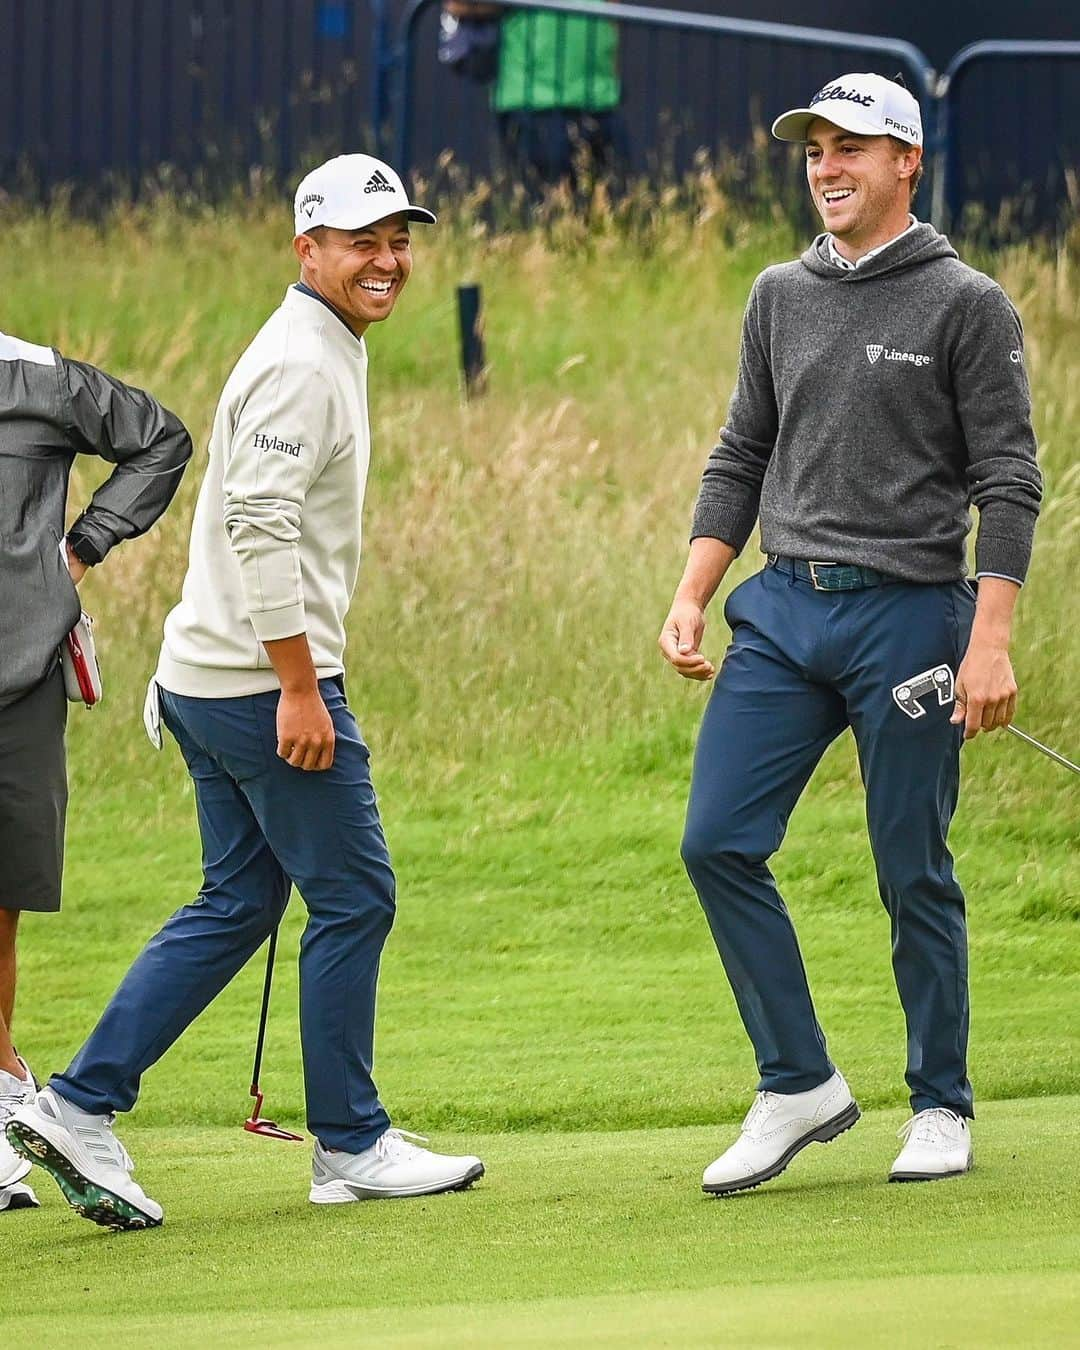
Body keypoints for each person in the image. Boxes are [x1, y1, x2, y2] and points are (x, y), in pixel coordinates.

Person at [8, 154, 485, 1230]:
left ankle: (81, 1104)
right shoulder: (303, 363)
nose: (388, 260)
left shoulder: (324, 344)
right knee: (357, 897)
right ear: (306, 249)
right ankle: (352, 1143)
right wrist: (302, 687)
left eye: (399, 239)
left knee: (238, 902)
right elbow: (256, 525)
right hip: (255, 686)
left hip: (208, 676)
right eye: (363, 241)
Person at [658, 73, 1042, 1196]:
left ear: (906, 162)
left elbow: (1010, 478)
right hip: (784, 609)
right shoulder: (779, 292)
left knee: (909, 866)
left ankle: (940, 1103)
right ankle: (798, 1084)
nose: (827, 167)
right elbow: (741, 450)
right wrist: (693, 589)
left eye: (852, 148)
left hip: (912, 615)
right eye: (815, 149)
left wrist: (992, 637)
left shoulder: (967, 301)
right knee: (716, 842)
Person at [0, 335, 191, 1213]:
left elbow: (161, 439)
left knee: (4, 906)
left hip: (19, 677)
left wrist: (77, 552)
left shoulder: (38, 377)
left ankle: (6, 1099)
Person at [443, 0, 625, 192]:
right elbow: (458, 4)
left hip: (601, 100)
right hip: (535, 105)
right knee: (549, 209)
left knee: (616, 209)